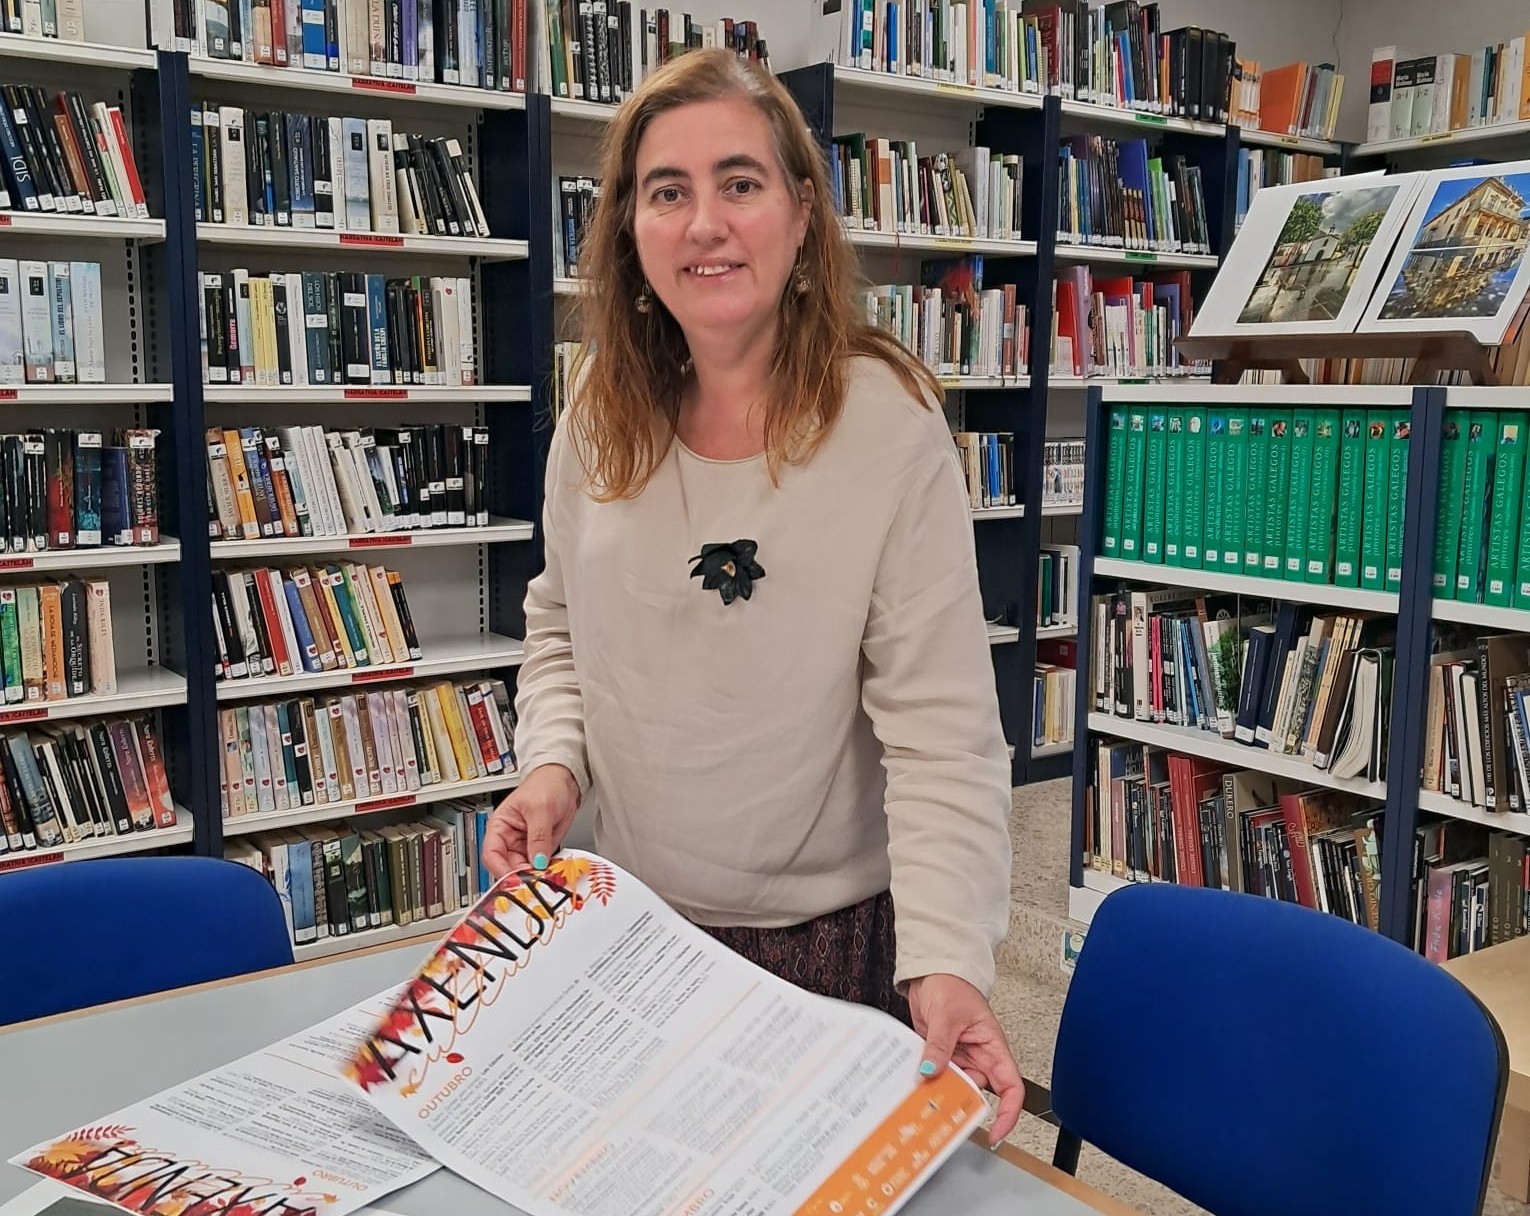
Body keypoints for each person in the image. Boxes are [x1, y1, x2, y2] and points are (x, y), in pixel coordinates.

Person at [482, 46, 1022, 1144]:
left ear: (801, 210)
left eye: (740, 182)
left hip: (823, 945)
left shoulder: (888, 424)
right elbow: (559, 631)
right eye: (666, 192)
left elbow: (942, 733)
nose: (704, 223)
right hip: (627, 923)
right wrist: (551, 762)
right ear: (630, 231)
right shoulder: (595, 418)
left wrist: (949, 960)